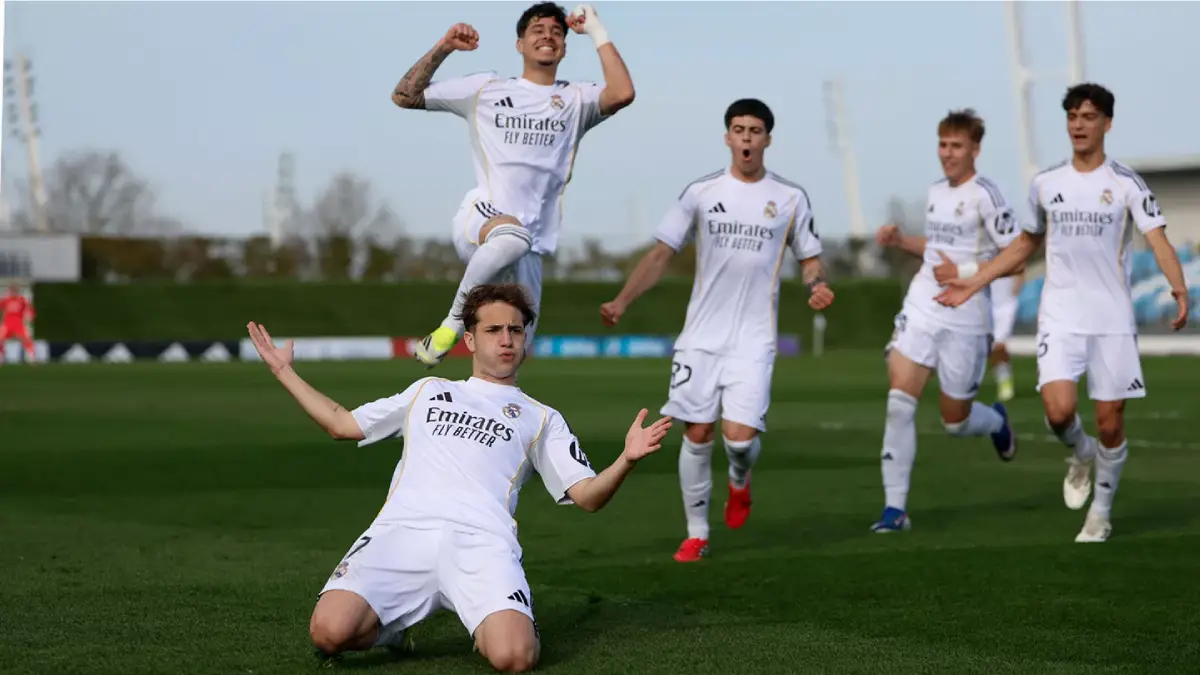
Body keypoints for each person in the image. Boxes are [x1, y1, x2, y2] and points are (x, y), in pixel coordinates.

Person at [247, 283, 672, 672]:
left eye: (516, 330)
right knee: (329, 633)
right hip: (402, 533)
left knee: (515, 657)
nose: (506, 339)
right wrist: (283, 371)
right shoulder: (427, 391)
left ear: (526, 339)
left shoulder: (542, 418)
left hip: (482, 544)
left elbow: (587, 496)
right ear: (470, 339)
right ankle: (396, 632)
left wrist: (627, 459)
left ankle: (507, 622)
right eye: (493, 330)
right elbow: (341, 423)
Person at [936, 83, 1189, 543]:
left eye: (1088, 116)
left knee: (1112, 420)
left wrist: (1179, 287)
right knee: (1058, 412)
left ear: (1107, 124)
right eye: (1072, 116)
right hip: (1061, 315)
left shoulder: (1126, 184)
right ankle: (1080, 452)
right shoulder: (1046, 183)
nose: (1078, 124)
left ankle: (1101, 514)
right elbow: (1025, 244)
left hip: (1112, 319)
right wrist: (975, 280)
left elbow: (1158, 239)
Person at [599, 98, 834, 562]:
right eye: (738, 129)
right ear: (727, 137)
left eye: (755, 131)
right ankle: (697, 533)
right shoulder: (701, 193)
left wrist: (817, 285)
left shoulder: (790, 198)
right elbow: (661, 253)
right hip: (700, 339)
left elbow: (809, 258)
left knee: (740, 441)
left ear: (768, 139)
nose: (746, 138)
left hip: (754, 338)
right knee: (698, 433)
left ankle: (740, 481)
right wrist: (622, 299)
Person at [390, 2, 635, 367]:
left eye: (556, 31)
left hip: (532, 246)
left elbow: (622, 92)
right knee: (511, 237)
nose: (548, 35)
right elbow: (405, 95)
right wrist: (444, 46)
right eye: (537, 29)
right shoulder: (485, 88)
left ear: (565, 48)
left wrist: (597, 31)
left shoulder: (576, 99)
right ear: (519, 44)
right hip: (483, 219)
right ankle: (451, 325)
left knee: (510, 355)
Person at [872, 108, 1021, 533]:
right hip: (923, 304)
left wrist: (966, 275)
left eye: (956, 146)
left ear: (975, 149)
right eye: (943, 144)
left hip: (968, 315)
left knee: (954, 421)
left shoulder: (987, 196)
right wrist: (901, 240)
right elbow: (937, 250)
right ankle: (894, 510)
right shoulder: (937, 192)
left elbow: (1015, 258)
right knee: (899, 399)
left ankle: (994, 421)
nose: (948, 154)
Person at [987, 271, 1024, 401]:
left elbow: (1020, 264)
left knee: (999, 344)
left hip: (1006, 305)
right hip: (986, 304)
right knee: (989, 347)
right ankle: (1001, 373)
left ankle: (1005, 382)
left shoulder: (1007, 250)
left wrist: (1017, 286)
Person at [0, 283, 36, 365]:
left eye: (14, 291)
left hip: (18, 324)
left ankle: (31, 358)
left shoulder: (22, 300)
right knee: (0, 340)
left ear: (17, 291)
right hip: (7, 324)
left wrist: (30, 315)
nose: (13, 292)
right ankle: (1, 358)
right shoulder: (6, 300)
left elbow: (29, 310)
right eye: (11, 291)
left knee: (27, 340)